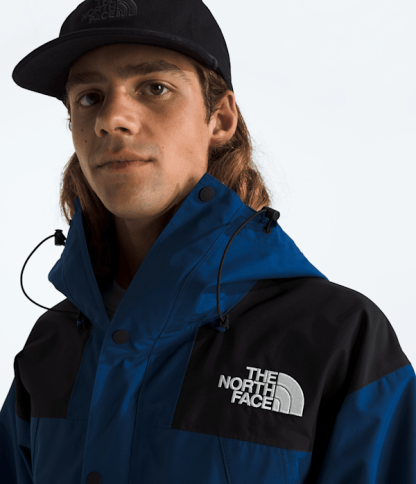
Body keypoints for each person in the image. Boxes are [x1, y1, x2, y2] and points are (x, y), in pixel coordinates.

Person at [1, 1, 415, 483]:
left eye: (154, 88)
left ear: (219, 118)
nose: (111, 119)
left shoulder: (340, 339)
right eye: (90, 97)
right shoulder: (51, 347)